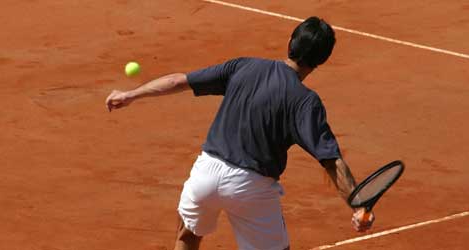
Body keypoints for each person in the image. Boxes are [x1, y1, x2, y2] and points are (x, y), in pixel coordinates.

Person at [105, 16, 374, 250]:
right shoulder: (305, 101)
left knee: (187, 235)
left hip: (205, 173)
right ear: (321, 60)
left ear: (290, 42)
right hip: (251, 187)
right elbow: (330, 160)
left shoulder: (243, 66)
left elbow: (178, 81)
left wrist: (131, 94)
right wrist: (358, 204)